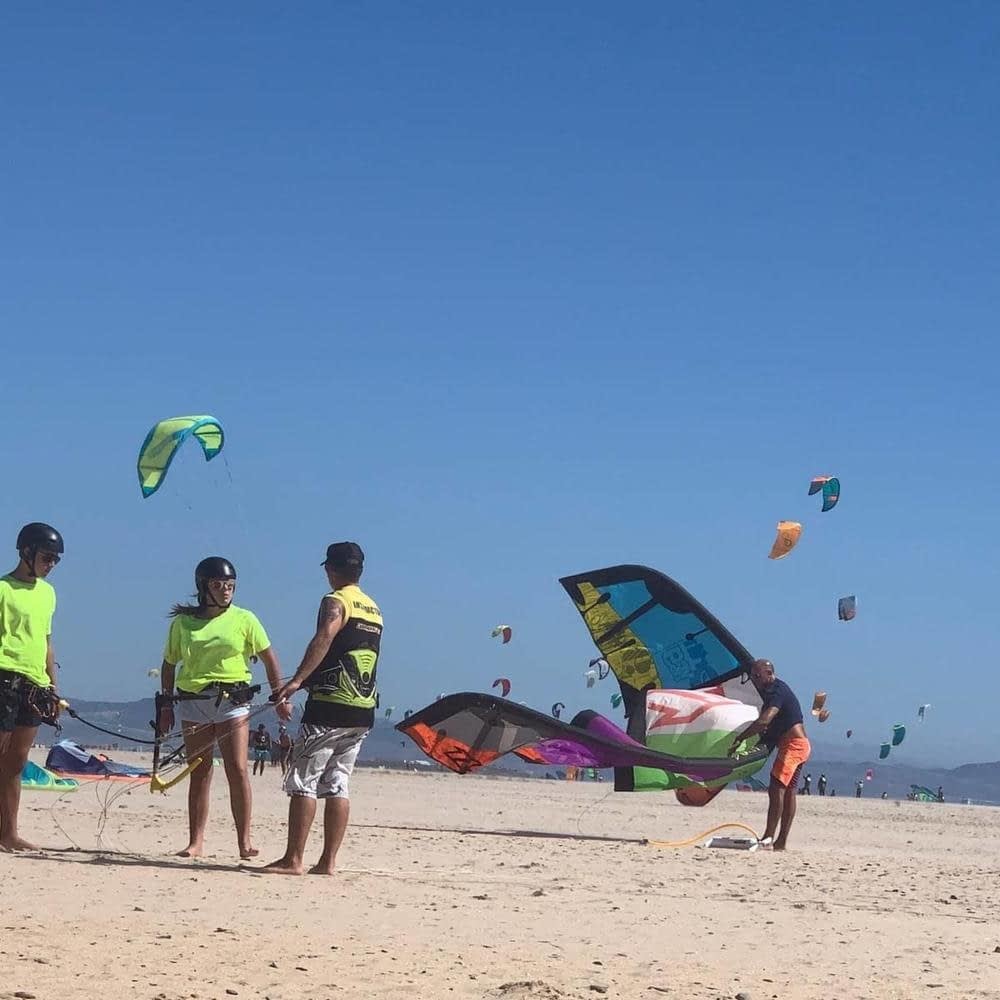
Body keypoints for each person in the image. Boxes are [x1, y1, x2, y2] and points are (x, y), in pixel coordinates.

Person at [156, 557, 288, 859]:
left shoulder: (245, 619)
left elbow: (269, 657)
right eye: (219, 585)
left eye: (230, 586)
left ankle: (244, 841)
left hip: (232, 702)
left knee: (237, 769)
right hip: (192, 702)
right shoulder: (183, 623)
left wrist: (280, 696)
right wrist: (165, 704)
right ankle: (196, 842)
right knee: (199, 772)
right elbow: (168, 663)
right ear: (203, 587)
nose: (226, 591)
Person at [264, 542, 382, 876]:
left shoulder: (336, 601)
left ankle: (293, 859)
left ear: (331, 569)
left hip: (330, 705)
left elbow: (325, 637)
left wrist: (297, 680)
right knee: (339, 782)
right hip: (363, 708)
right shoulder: (373, 608)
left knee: (304, 780)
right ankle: (328, 861)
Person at [0, 524, 63, 851]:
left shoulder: (48, 593)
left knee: (16, 762)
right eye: (47, 557)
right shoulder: (3, 589)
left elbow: (47, 643)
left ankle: (8, 833)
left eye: (56, 560)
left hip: (34, 684)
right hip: (4, 677)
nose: (51, 564)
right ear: (26, 552)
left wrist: (53, 686)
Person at [728, 658, 810, 851]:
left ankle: (769, 837)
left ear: (769, 674)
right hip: (792, 745)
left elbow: (764, 721)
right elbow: (769, 732)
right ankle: (780, 842)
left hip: (795, 745)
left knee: (776, 788)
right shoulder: (767, 693)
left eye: (758, 676)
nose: (755, 680)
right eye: (752, 676)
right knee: (788, 791)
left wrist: (741, 737)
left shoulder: (777, 690)